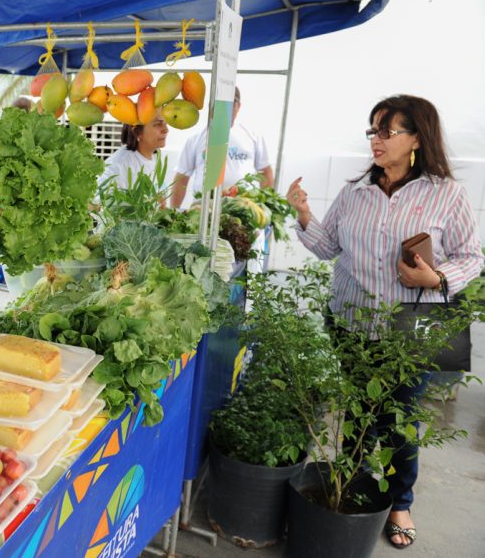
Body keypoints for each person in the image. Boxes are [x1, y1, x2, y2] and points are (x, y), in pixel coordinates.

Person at [287, 94, 483, 549]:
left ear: (416, 138)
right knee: (357, 412)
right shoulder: (355, 192)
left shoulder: (444, 194)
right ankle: (354, 483)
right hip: (351, 322)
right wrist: (303, 214)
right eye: (372, 130)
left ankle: (400, 501)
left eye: (386, 131)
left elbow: (471, 257)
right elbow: (328, 247)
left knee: (398, 419)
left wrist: (436, 277)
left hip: (409, 330)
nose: (376, 140)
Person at [171, 86, 274, 209]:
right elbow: (181, 179)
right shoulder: (195, 139)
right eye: (217, 103)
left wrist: (268, 208)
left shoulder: (252, 137)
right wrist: (173, 211)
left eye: (229, 103)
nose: (222, 108)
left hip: (243, 209)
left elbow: (265, 172)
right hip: (203, 210)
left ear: (238, 106)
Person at [97, 114, 169, 192]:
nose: (166, 130)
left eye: (166, 123)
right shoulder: (118, 165)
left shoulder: (156, 156)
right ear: (137, 132)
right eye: (158, 124)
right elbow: (97, 200)